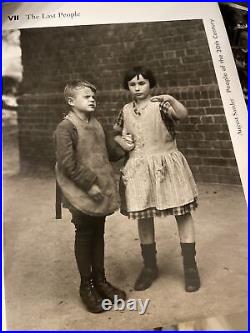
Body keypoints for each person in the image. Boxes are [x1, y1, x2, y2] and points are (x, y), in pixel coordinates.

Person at [113, 66, 200, 293]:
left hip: (166, 165)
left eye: (142, 83)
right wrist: (123, 141)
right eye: (133, 84)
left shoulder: (161, 104)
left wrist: (171, 99)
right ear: (128, 87)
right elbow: (115, 132)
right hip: (139, 167)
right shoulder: (125, 109)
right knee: (144, 215)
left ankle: (190, 267)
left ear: (150, 84)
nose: (138, 88)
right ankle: (150, 267)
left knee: (182, 212)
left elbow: (182, 115)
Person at [54, 80, 126, 314]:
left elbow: (108, 154)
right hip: (80, 191)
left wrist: (124, 146)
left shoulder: (96, 124)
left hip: (99, 190)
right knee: (85, 234)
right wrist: (89, 184)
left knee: (98, 233)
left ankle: (101, 281)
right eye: (86, 96)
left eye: (94, 96)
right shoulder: (66, 127)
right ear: (71, 101)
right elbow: (67, 164)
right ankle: (87, 286)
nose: (92, 99)